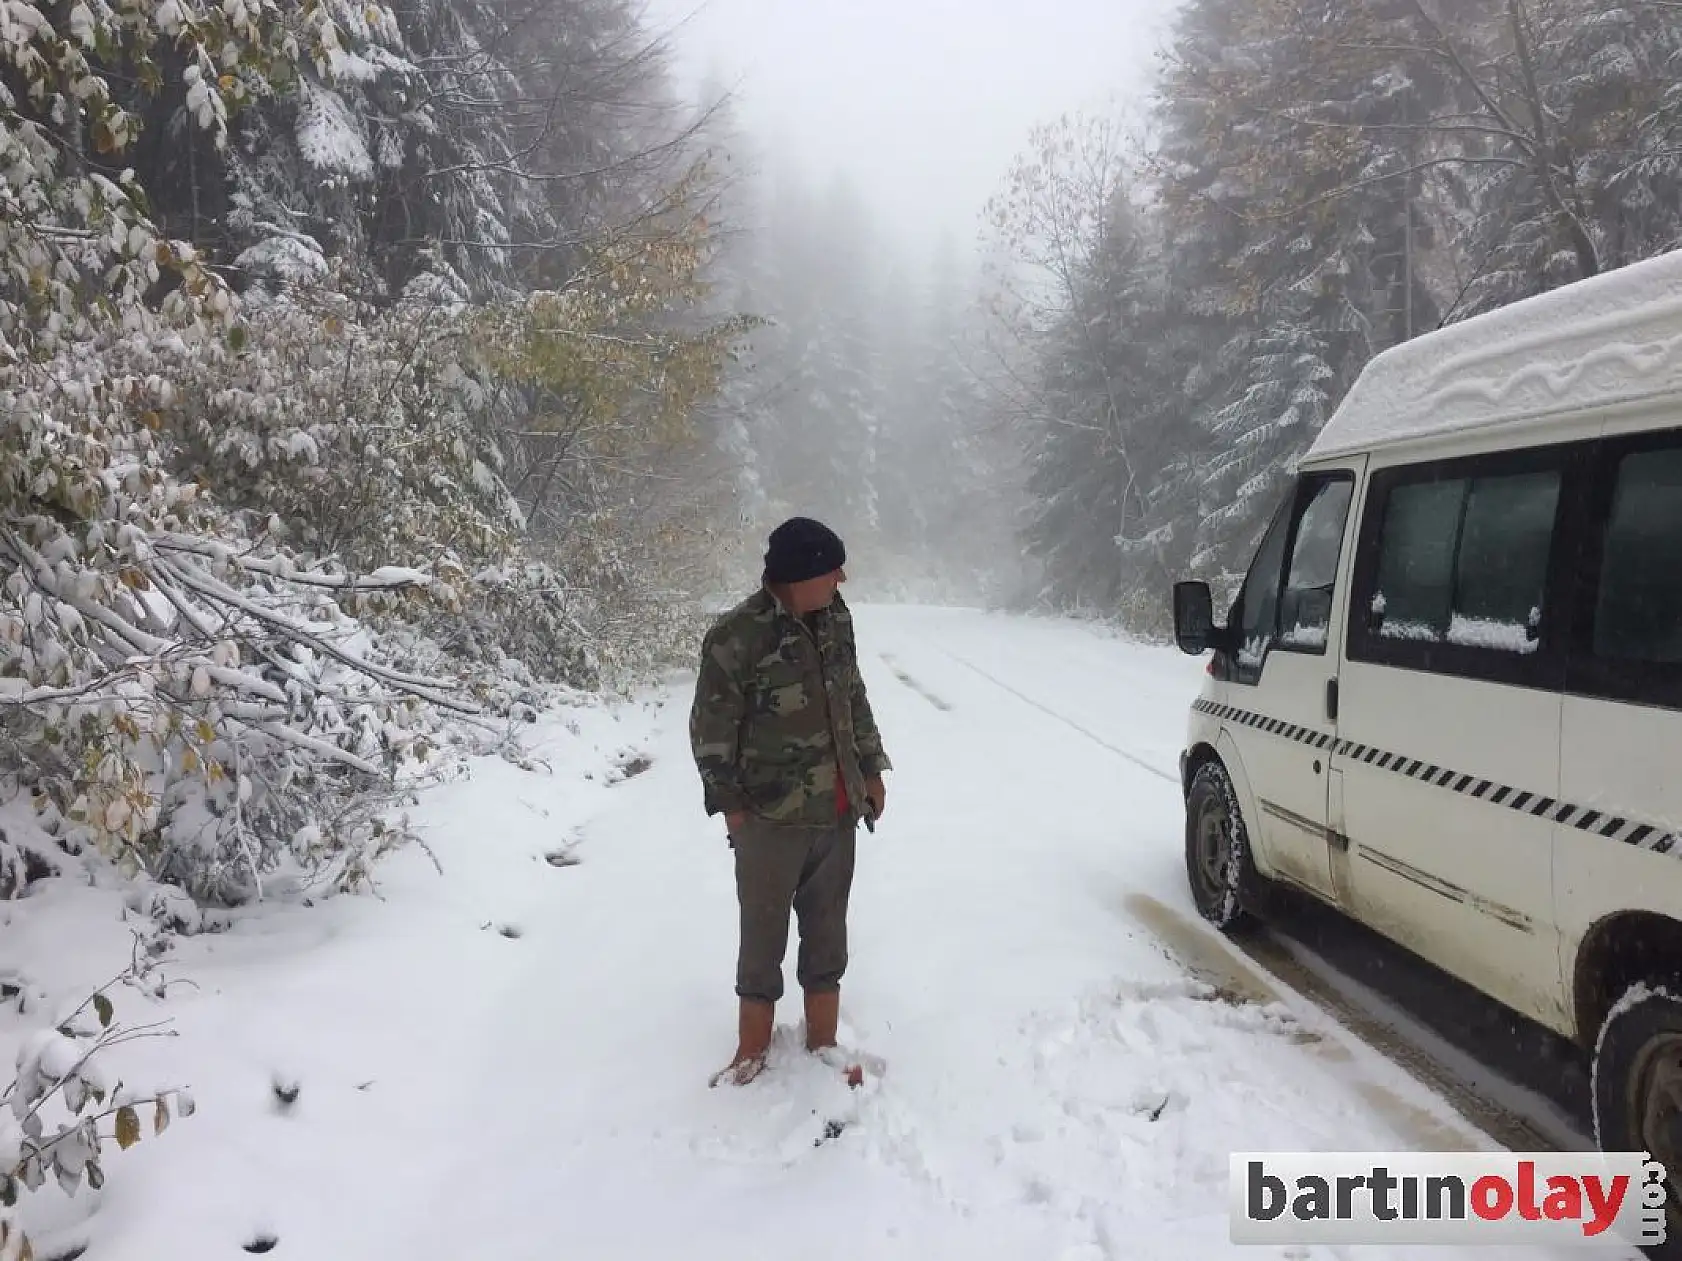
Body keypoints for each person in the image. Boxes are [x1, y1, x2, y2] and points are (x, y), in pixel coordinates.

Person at [688, 516, 892, 1087]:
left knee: (828, 932)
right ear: (799, 575)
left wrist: (871, 767)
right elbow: (710, 730)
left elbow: (853, 696)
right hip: (768, 818)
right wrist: (733, 809)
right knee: (762, 936)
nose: (841, 579)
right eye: (833, 570)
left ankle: (822, 1039)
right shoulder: (737, 637)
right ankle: (750, 1051)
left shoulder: (835, 619)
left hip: (837, 810)